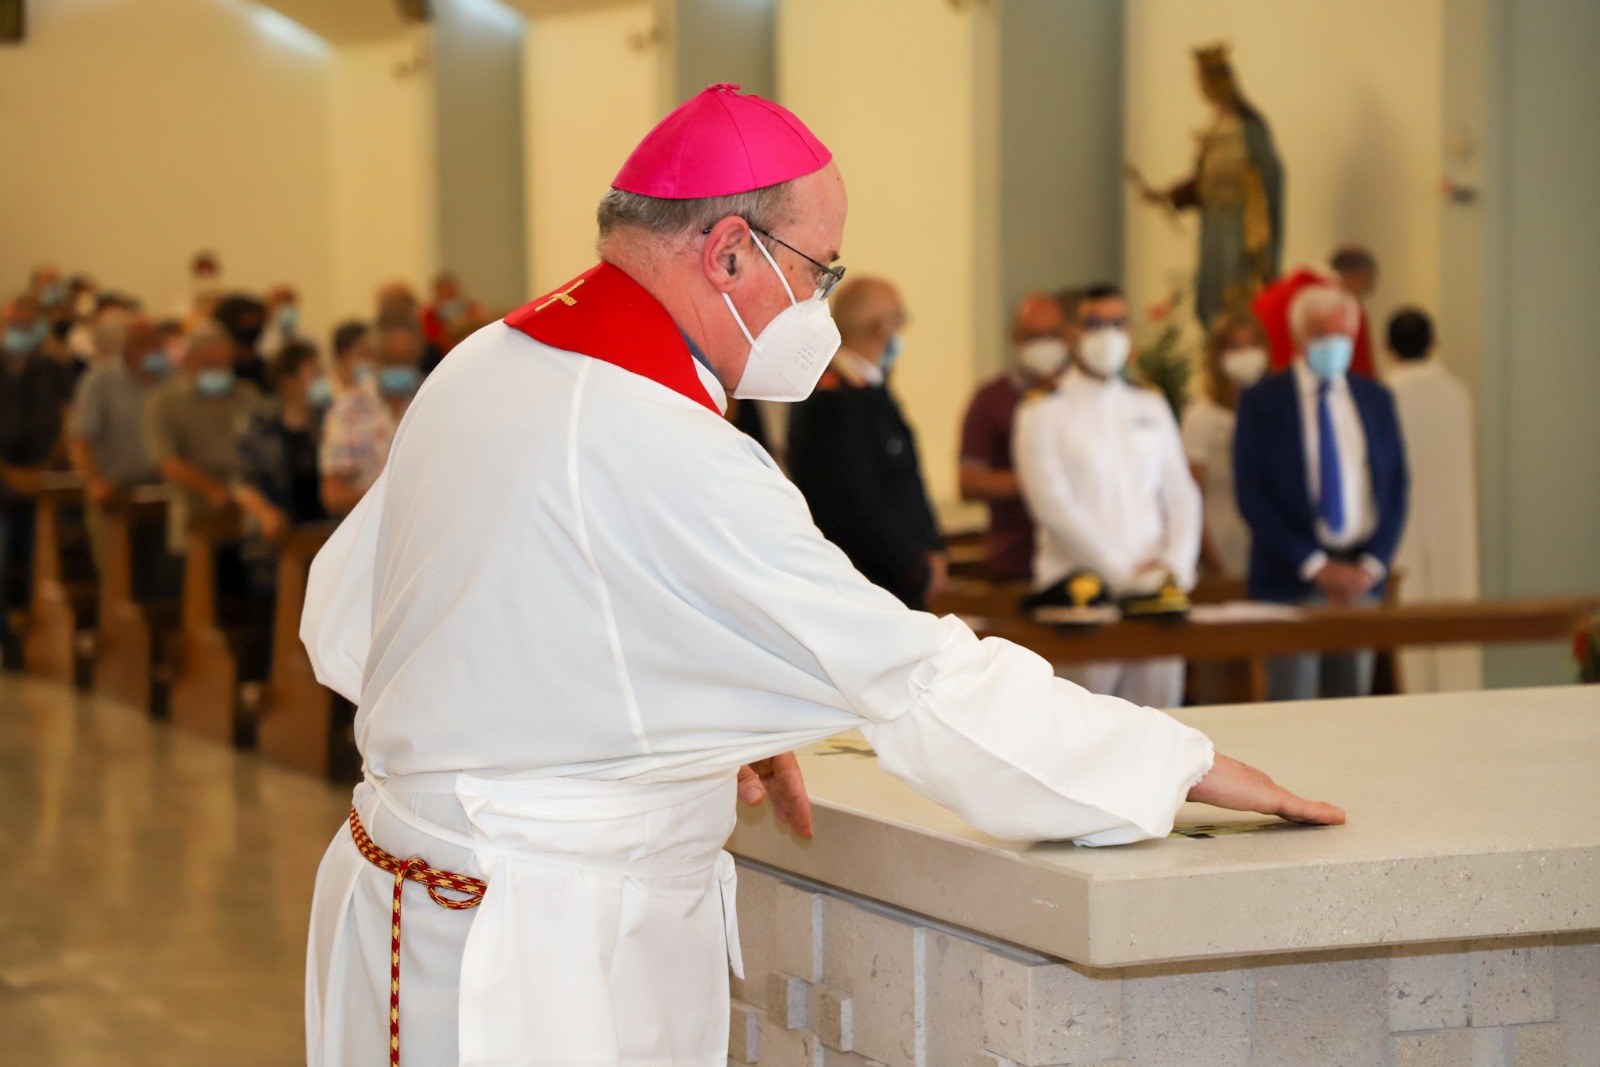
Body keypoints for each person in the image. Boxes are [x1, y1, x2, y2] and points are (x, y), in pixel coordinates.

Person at [300, 84, 1342, 1067]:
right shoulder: (663, 438)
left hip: (442, 899)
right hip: (529, 955)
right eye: (820, 268)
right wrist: (1171, 763)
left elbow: (352, 619)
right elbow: (916, 682)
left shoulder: (494, 358)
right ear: (727, 252)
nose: (822, 304)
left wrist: (678, 715)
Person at [1014, 283, 1202, 709]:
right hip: (1084, 597)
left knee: (1163, 725)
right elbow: (1053, 506)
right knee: (1086, 729)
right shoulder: (1042, 409)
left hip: (1157, 597)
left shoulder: (1149, 403)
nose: (1108, 334)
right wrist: (1124, 574)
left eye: (1118, 323)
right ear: (1071, 333)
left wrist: (1176, 568)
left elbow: (1181, 492)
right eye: (1095, 324)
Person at [1233, 286, 1408, 700]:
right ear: (1299, 336)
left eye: (1346, 334)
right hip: (1290, 580)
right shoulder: (1264, 402)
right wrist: (1315, 566)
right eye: (1326, 334)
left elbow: (1395, 489)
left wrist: (1371, 565)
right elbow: (1253, 495)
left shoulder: (1375, 399)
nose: (1337, 344)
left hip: (1360, 582)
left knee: (1352, 708)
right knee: (1290, 704)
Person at [786, 276, 947, 609]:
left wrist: (932, 551)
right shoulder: (836, 401)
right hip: (872, 586)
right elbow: (856, 502)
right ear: (880, 330)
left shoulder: (867, 391)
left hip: (892, 582)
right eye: (899, 322)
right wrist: (913, 569)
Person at [1144, 44, 1284, 328]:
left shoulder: (1248, 125)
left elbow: (1269, 174)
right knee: (1210, 291)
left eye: (1204, 81)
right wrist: (1169, 196)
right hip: (1215, 225)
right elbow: (1204, 180)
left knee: (1236, 293)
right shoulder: (1216, 124)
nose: (1201, 88)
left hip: (1240, 227)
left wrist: (1256, 221)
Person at [1386, 308, 1483, 692]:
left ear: (1387, 346)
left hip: (1401, 524)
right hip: (1454, 520)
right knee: (1455, 610)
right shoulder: (1457, 393)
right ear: (1434, 342)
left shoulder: (1386, 394)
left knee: (1409, 619)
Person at [957, 292, 1074, 582]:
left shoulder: (1081, 396)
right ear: (1014, 338)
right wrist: (1039, 480)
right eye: (1033, 336)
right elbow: (970, 482)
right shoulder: (990, 399)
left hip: (1079, 556)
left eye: (1052, 335)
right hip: (1016, 561)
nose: (1044, 345)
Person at [143, 319, 264, 552]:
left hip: (249, 514)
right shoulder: (165, 402)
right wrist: (214, 491)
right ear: (189, 362)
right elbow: (167, 462)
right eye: (209, 364)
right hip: (194, 513)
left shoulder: (247, 396)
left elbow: (262, 447)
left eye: (223, 364)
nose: (217, 370)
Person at [0, 295, 79, 654]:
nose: (18, 330)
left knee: (41, 557)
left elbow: (67, 417)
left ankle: (38, 629)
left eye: (25, 325)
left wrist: (47, 466)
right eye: (11, 324)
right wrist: (9, 473)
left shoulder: (51, 366)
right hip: (3, 478)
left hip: (45, 477)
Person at [65, 316, 168, 569]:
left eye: (156, 340)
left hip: (165, 493)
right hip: (116, 494)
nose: (153, 347)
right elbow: (79, 439)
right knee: (117, 574)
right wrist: (93, 481)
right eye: (144, 342)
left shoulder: (172, 378)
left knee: (166, 579)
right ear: (127, 346)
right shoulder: (99, 381)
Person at [1182, 310, 1270, 579]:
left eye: (1252, 345)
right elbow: (1190, 498)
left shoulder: (1276, 411)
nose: (1245, 355)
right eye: (1235, 347)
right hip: (1220, 550)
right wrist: (1215, 565)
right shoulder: (1202, 418)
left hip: (1269, 551)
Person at [318, 322, 419, 516]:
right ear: (374, 359)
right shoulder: (346, 411)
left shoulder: (431, 401)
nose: (400, 368)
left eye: (407, 360)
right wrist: (393, 496)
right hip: (368, 528)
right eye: (392, 360)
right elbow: (333, 496)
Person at [236, 341, 327, 541]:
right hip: (278, 533)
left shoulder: (328, 419)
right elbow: (241, 481)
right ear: (288, 381)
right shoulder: (260, 424)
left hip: (325, 529)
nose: (321, 380)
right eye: (314, 374)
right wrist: (265, 513)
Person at [1254, 245, 1380, 378]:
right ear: (1358, 277)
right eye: (1367, 287)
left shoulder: (1269, 295)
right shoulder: (1344, 308)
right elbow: (1362, 374)